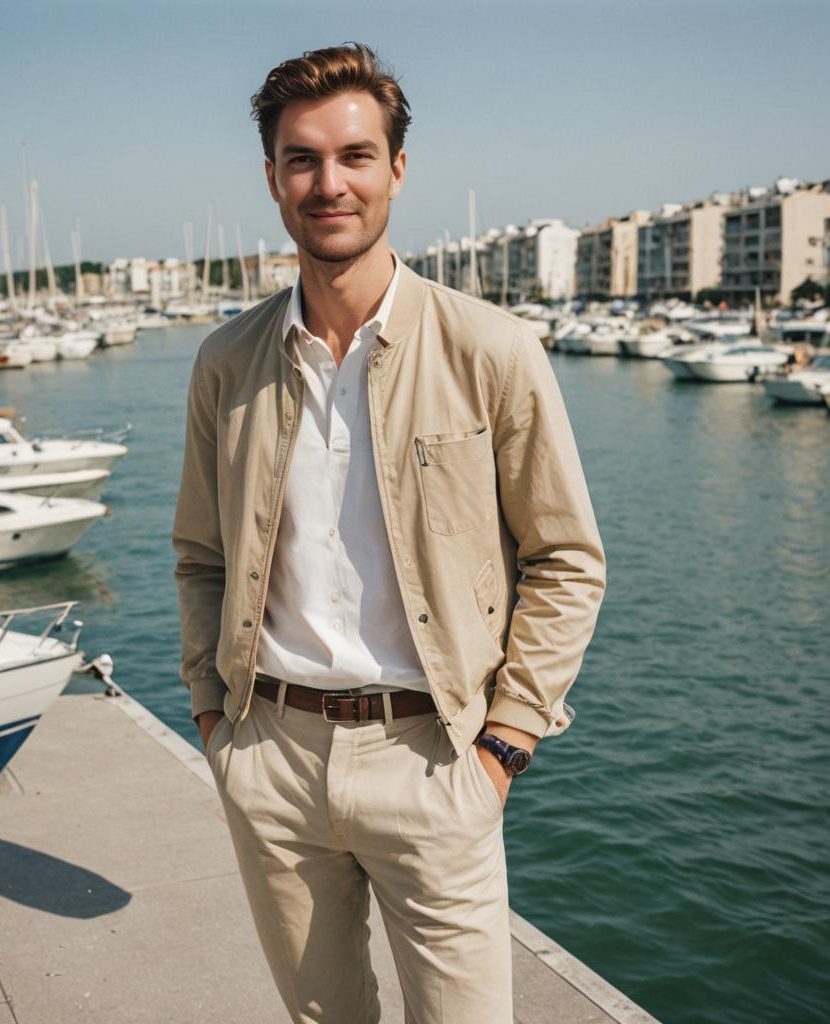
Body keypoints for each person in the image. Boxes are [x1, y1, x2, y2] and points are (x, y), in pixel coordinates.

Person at [173, 42, 605, 1024]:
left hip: (436, 757)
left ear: (397, 170)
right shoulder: (225, 363)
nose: (330, 183)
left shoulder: (491, 350)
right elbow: (200, 555)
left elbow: (567, 561)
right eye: (302, 159)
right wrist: (215, 719)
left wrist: (504, 744)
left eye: (355, 156)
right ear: (274, 179)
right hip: (271, 756)